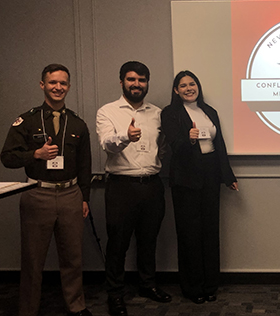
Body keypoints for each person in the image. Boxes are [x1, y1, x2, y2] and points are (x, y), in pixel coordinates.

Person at [0, 64, 92, 316]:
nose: (58, 87)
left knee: (73, 258)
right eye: (53, 83)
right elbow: (7, 157)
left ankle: (76, 306)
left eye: (63, 83)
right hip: (37, 194)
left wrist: (85, 198)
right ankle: (28, 309)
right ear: (42, 85)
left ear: (69, 87)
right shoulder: (27, 120)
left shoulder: (77, 124)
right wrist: (35, 154)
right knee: (32, 260)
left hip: (71, 195)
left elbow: (85, 166)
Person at [96, 61, 171, 315]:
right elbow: (107, 144)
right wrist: (126, 137)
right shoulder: (107, 111)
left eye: (141, 80)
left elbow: (163, 147)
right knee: (117, 244)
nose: (136, 84)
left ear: (147, 83)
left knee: (149, 241)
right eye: (131, 79)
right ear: (121, 82)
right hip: (121, 187)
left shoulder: (158, 113)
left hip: (152, 185)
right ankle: (115, 294)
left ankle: (147, 285)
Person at [161, 70, 238, 304]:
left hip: (210, 176)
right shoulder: (170, 113)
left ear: (198, 86)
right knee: (189, 235)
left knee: (209, 232)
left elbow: (219, 145)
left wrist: (228, 176)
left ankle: (210, 285)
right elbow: (174, 145)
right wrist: (189, 138)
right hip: (185, 179)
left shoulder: (209, 111)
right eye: (182, 85)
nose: (188, 88)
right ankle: (193, 287)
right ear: (176, 90)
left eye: (191, 84)